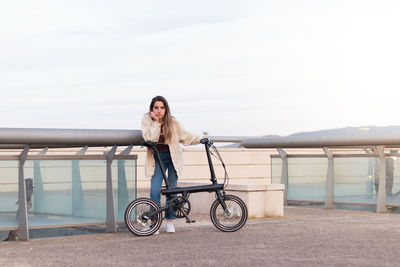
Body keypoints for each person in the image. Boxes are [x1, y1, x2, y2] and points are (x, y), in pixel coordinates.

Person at [141, 96, 201, 233]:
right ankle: (154, 223)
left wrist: (200, 139)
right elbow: (149, 138)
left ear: (166, 108)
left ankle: (170, 221)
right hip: (157, 157)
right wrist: (156, 122)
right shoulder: (147, 120)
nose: (159, 110)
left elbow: (185, 135)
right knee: (155, 190)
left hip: (173, 156)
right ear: (152, 109)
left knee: (172, 190)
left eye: (162, 107)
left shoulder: (172, 121)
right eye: (156, 107)